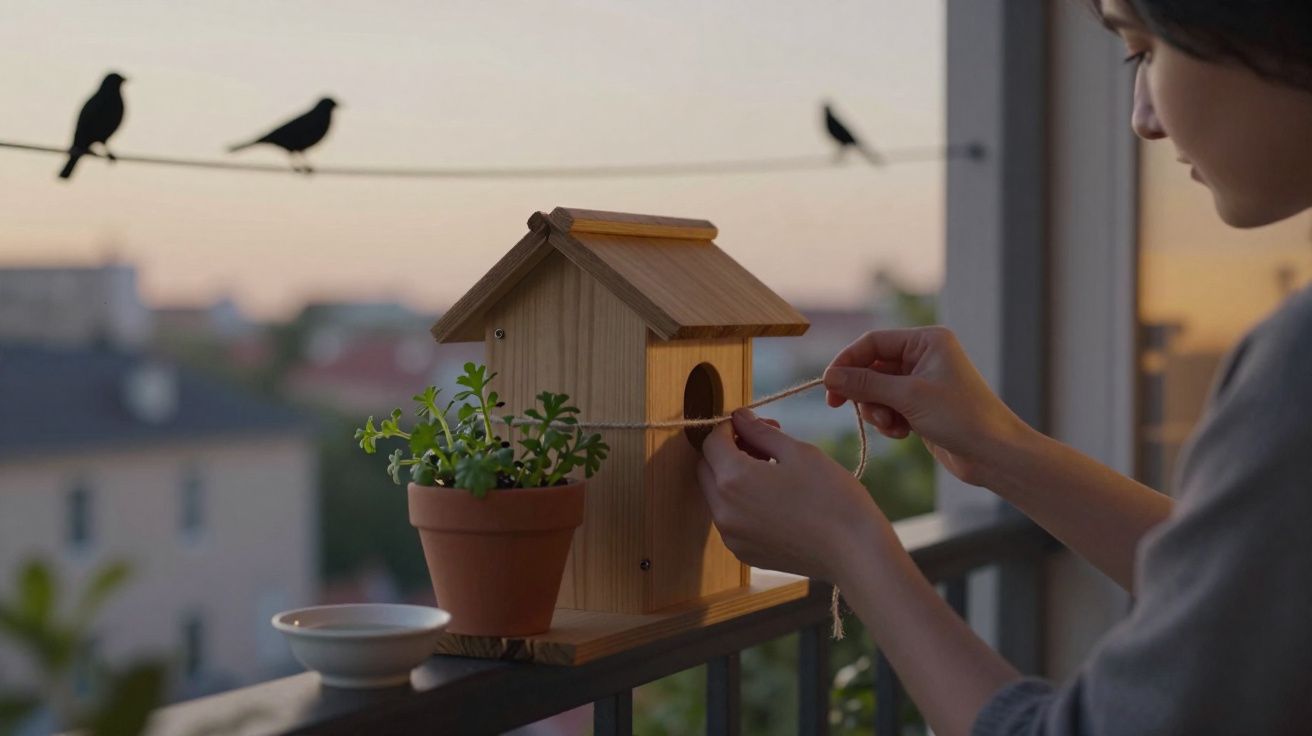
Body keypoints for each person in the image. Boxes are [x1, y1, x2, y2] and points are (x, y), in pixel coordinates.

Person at [695, 0, 1312, 733]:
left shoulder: (1297, 361)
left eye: (1146, 50)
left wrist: (851, 547)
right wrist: (998, 449)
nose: (1142, 117)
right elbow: (1255, 595)